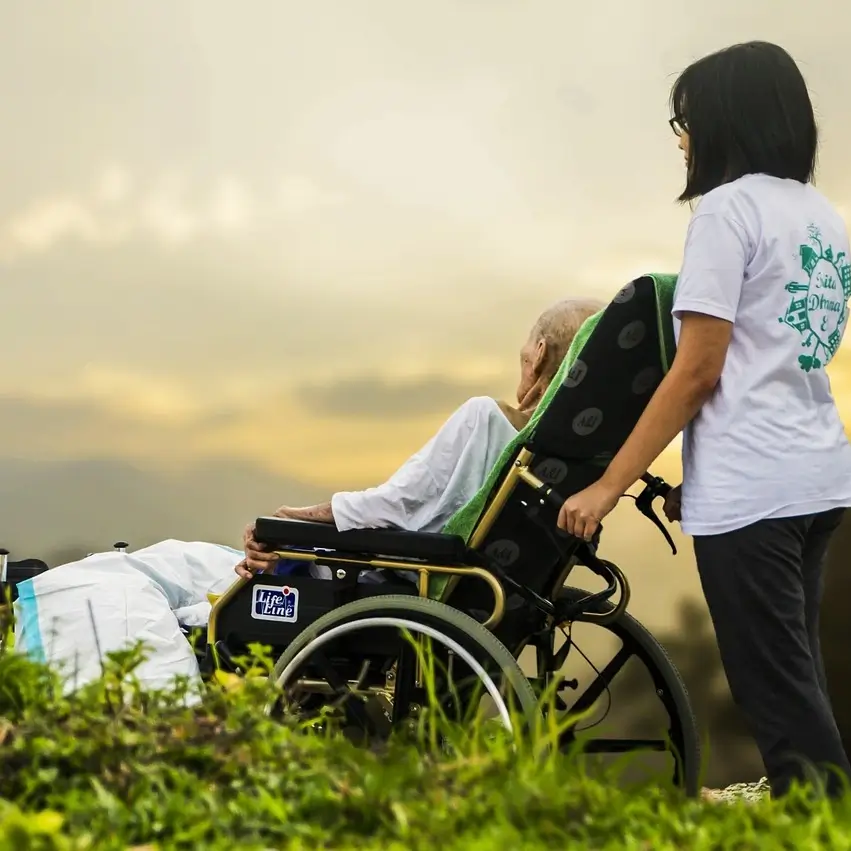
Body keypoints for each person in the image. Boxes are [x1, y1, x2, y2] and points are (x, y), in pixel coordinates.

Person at [556, 41, 851, 799]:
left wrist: (607, 486)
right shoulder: (820, 215)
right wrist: (698, 476)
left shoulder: (726, 211)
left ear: (725, 118)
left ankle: (819, 815)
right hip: (816, 476)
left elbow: (698, 370)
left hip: (755, 491)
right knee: (796, 669)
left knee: (777, 692)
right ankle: (808, 802)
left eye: (683, 119)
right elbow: (777, 360)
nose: (680, 136)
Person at [238, 297, 603, 578]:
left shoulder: (487, 420)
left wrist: (290, 521)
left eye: (525, 350)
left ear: (538, 354)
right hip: (479, 587)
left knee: (182, 566)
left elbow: (395, 504)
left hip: (395, 577)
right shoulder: (577, 458)